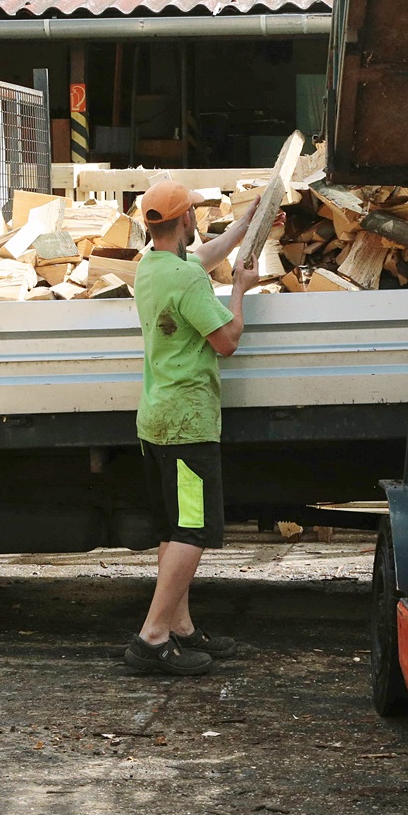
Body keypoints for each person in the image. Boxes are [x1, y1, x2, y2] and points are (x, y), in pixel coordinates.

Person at [123, 180, 268, 675]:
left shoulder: (152, 268)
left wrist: (247, 226)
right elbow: (227, 339)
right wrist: (242, 289)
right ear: (186, 219)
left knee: (171, 528)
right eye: (195, 216)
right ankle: (153, 636)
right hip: (188, 423)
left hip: (155, 419)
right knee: (193, 530)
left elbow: (201, 256)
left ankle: (180, 627)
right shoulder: (187, 281)